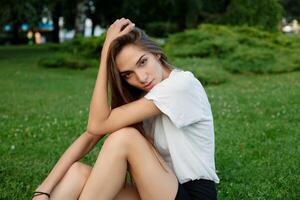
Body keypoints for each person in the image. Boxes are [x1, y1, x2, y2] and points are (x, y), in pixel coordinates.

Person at [32, 17, 219, 200]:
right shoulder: (142, 97)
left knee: (125, 138)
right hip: (155, 190)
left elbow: (97, 124)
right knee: (77, 172)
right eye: (128, 74)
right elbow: (90, 135)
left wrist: (106, 53)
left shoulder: (180, 85)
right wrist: (43, 189)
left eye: (142, 62)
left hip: (192, 194)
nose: (142, 78)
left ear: (156, 53)